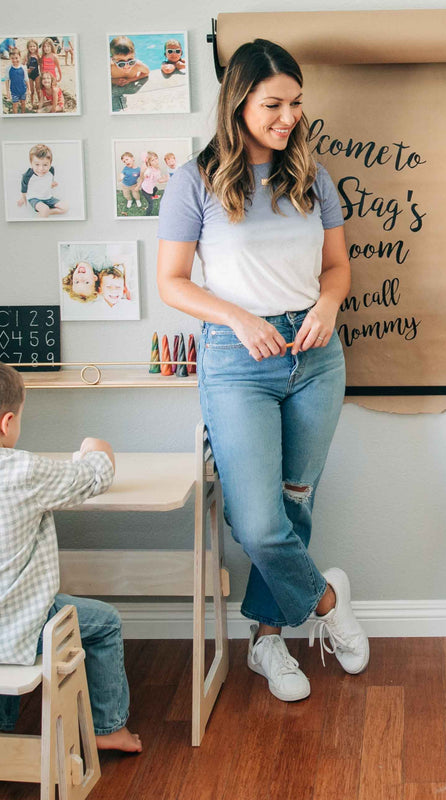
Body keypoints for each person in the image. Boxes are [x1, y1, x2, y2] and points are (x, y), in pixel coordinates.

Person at [156, 38, 368, 702]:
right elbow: (171, 282)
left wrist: (330, 303)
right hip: (237, 358)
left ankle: (266, 638)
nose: (288, 117)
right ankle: (329, 600)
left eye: (296, 103)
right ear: (238, 101)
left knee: (294, 503)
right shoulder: (194, 181)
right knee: (256, 520)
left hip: (314, 355)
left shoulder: (314, 176)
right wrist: (236, 318)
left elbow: (338, 269)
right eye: (273, 104)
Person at [0, 355, 142, 752]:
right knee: (106, 623)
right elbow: (95, 476)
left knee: (2, 615)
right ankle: (108, 727)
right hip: (13, 625)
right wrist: (97, 447)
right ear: (7, 423)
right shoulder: (22, 471)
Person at [17, 143, 67, 217]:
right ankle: (44, 213)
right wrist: (23, 198)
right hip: (35, 198)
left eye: (45, 165)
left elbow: (49, 179)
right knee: (44, 209)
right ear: (31, 163)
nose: (41, 169)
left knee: (65, 207)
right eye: (37, 165)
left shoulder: (51, 170)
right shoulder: (28, 175)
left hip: (48, 198)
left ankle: (48, 212)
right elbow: (24, 188)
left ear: (50, 164)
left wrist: (52, 183)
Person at [4, 48, 27, 114]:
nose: (14, 60)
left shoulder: (23, 67)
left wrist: (29, 89)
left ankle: (23, 114)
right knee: (15, 105)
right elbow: (7, 80)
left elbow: (26, 79)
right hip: (14, 91)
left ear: (20, 57)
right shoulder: (8, 68)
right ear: (10, 58)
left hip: (23, 90)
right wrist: (7, 92)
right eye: (12, 58)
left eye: (16, 58)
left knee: (23, 103)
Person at [24, 39, 41, 110]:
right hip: (29, 75)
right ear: (28, 47)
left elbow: (41, 65)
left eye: (34, 46)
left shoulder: (38, 55)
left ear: (37, 47)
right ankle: (31, 103)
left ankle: (40, 102)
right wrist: (26, 70)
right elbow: (22, 65)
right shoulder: (26, 56)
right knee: (31, 90)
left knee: (38, 89)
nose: (32, 48)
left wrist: (42, 74)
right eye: (30, 46)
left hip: (37, 74)